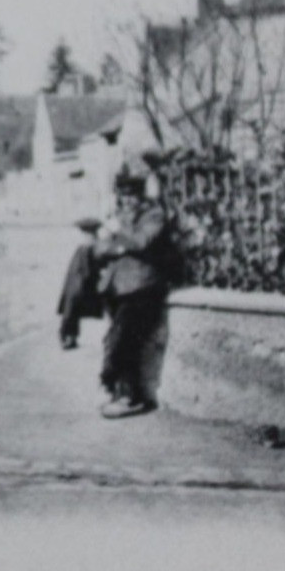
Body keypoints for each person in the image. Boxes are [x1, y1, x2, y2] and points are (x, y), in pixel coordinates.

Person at [91, 164, 179, 418]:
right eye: (123, 195)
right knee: (117, 339)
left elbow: (142, 242)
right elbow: (99, 249)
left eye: (131, 195)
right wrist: (118, 244)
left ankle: (129, 397)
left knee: (124, 339)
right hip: (118, 288)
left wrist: (119, 235)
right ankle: (123, 393)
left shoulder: (154, 215)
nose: (126, 201)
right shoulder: (121, 217)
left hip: (144, 288)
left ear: (142, 196)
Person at [56, 216, 107, 350]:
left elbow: (86, 268)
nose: (86, 235)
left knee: (71, 310)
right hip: (79, 282)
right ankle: (69, 337)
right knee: (72, 310)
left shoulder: (87, 247)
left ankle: (68, 337)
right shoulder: (90, 246)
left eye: (87, 232)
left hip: (78, 283)